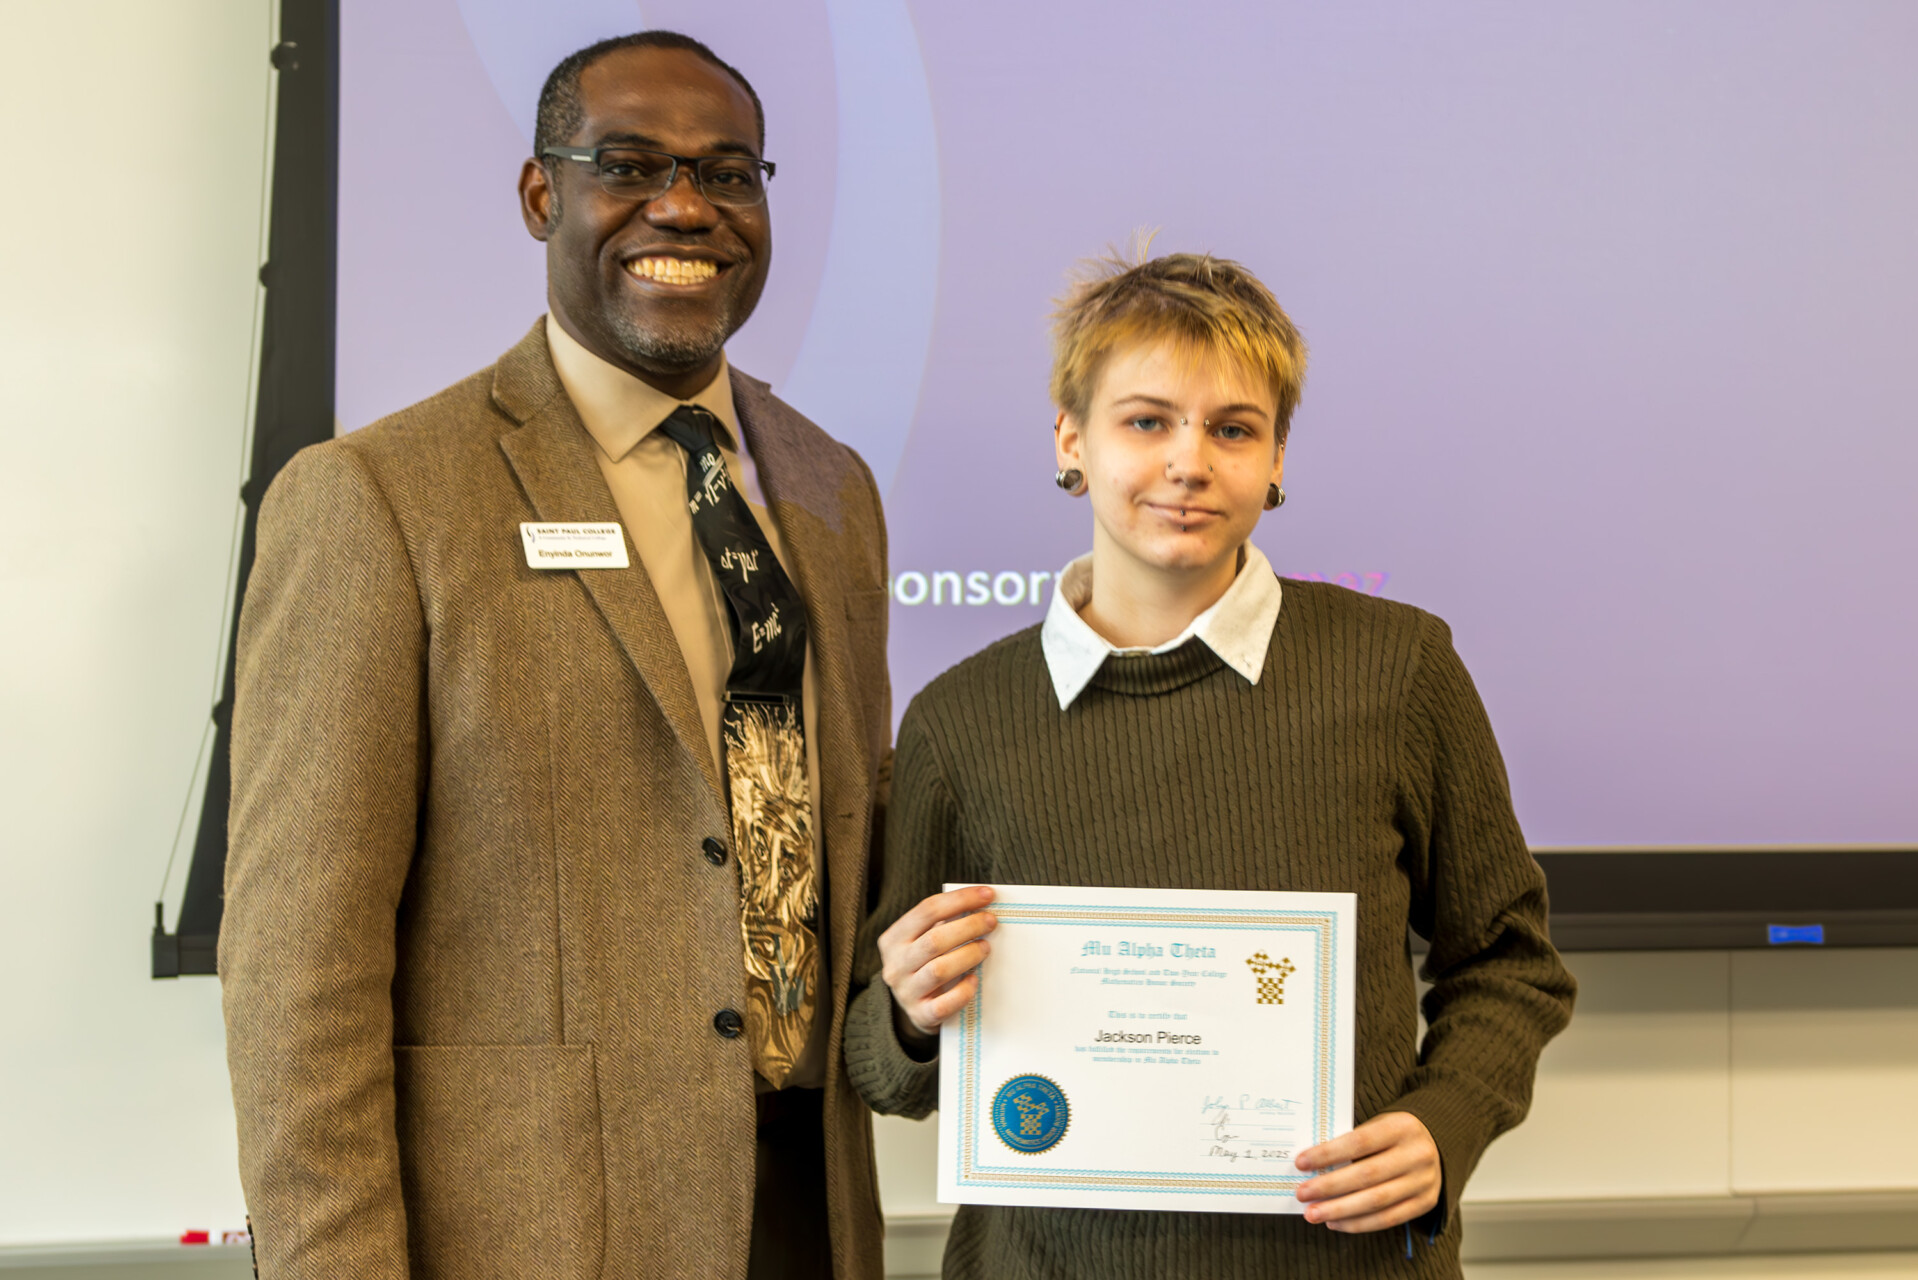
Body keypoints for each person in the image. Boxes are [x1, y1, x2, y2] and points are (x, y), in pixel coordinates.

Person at [221, 32, 891, 1280]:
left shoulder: (831, 485)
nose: (684, 207)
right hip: (534, 1230)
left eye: (728, 173)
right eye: (629, 166)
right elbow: (298, 966)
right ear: (543, 195)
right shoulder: (379, 496)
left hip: (809, 1208)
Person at [843, 251, 1576, 1277]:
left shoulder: (1401, 669)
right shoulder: (958, 722)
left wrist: (1443, 1122)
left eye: (1233, 429)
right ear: (1072, 440)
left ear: (1276, 459)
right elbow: (882, 1067)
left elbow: (1510, 962)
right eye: (1147, 421)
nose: (1190, 462)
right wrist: (909, 1015)